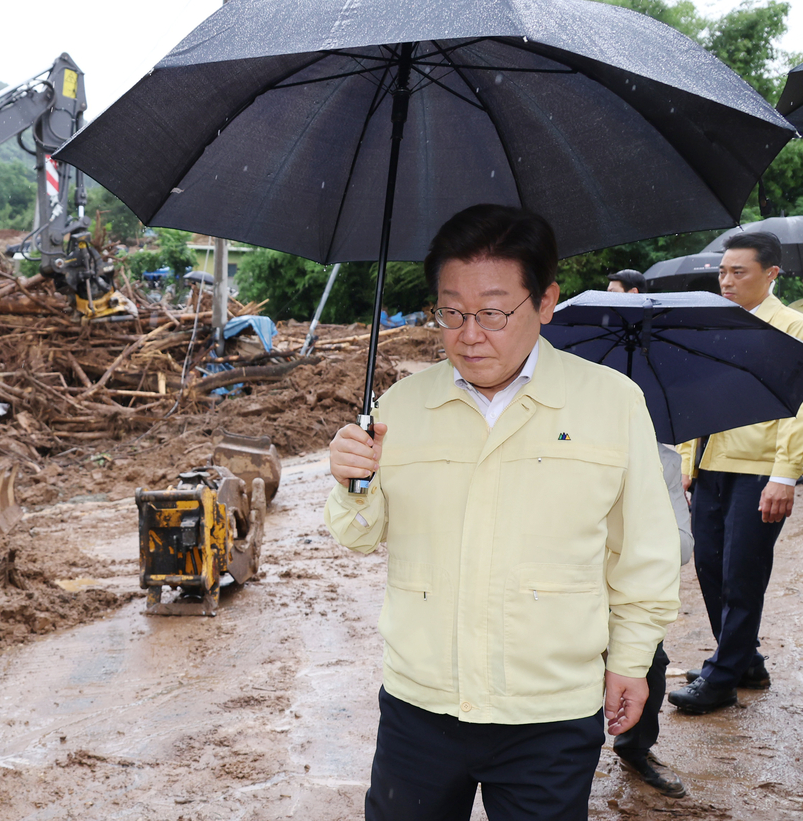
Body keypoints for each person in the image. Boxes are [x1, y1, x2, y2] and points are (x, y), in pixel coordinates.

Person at [325, 203, 680, 821]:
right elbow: (359, 536)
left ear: (545, 303)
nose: (468, 333)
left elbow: (644, 552)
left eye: (492, 312)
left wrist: (630, 661)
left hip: (548, 712)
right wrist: (354, 481)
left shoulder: (610, 403)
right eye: (451, 311)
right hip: (421, 706)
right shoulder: (401, 407)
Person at [669, 231, 803, 714]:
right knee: (708, 569)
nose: (726, 281)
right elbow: (695, 397)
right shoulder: (716, 326)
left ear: (771, 274)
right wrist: (687, 462)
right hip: (711, 466)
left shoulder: (791, 330)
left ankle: (722, 679)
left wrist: (784, 475)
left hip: (759, 470)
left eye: (738, 272)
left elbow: (800, 410)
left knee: (741, 574)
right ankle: (743, 661)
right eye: (722, 272)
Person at [612, 443, 692, 797]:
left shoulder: (663, 460)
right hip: (557, 591)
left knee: (650, 665)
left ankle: (635, 748)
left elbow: (683, 548)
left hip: (630, 590)